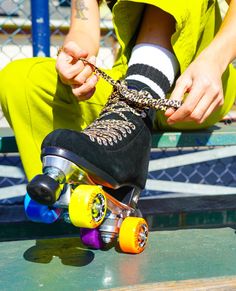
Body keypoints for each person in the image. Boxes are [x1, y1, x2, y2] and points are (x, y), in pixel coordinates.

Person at [0, 0, 236, 203]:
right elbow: (83, 27)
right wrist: (76, 60)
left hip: (196, 87)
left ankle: (136, 101)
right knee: (21, 78)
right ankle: (65, 206)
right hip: (121, 92)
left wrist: (214, 61)